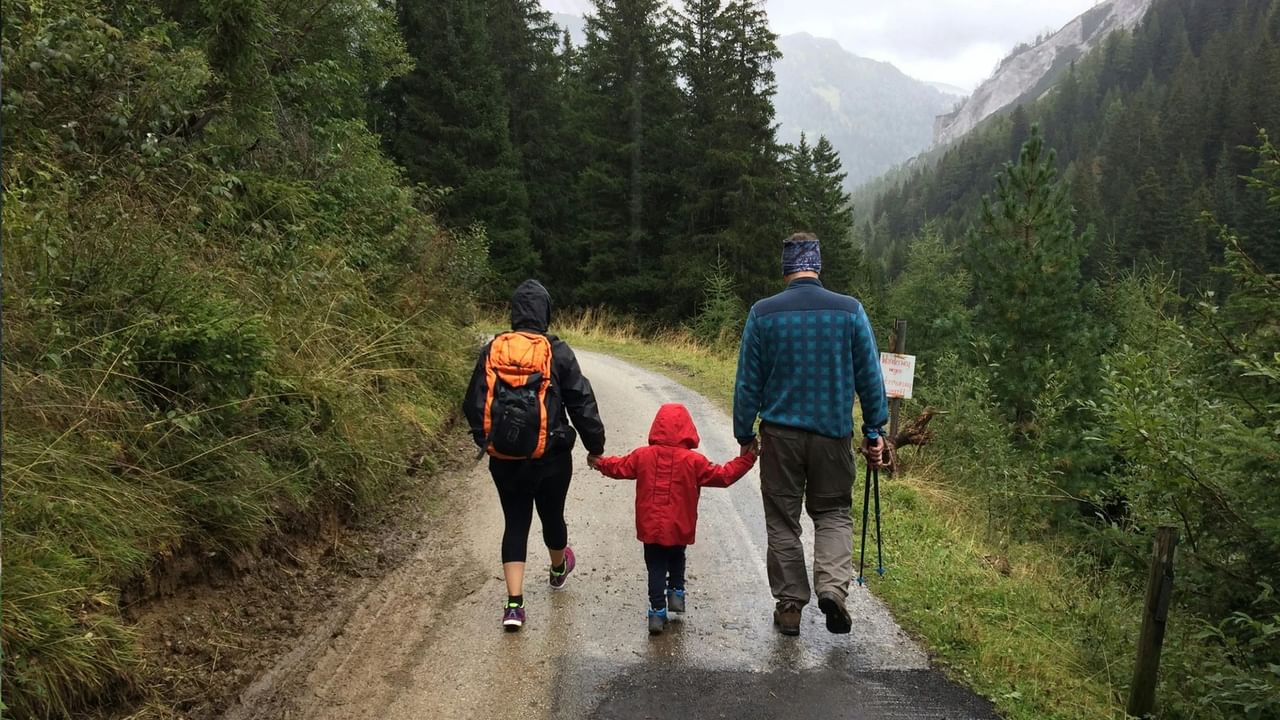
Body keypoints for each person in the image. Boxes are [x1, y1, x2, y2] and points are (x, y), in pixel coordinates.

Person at [732, 232, 889, 637]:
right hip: (833, 436)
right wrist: (875, 430)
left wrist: (743, 431)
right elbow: (870, 378)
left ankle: (789, 607)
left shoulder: (763, 314)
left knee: (783, 521)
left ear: (786, 267)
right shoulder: (850, 311)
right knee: (834, 512)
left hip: (781, 437)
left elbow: (748, 383)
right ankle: (832, 590)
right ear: (817, 264)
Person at [463, 279, 606, 631]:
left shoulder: (493, 349)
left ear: (514, 313)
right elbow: (581, 401)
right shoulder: (556, 351)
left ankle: (514, 605)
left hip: (505, 459)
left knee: (515, 523)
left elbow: (473, 403)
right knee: (552, 516)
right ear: (546, 313)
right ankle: (558, 569)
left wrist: (489, 440)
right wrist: (595, 447)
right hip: (551, 457)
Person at [589, 403, 756, 635]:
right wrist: (747, 459)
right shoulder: (694, 461)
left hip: (650, 526)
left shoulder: (642, 456)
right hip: (679, 524)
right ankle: (677, 593)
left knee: (655, 566)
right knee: (677, 555)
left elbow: (619, 467)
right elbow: (724, 475)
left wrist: (599, 463)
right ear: (688, 429)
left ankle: (657, 612)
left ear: (657, 427)